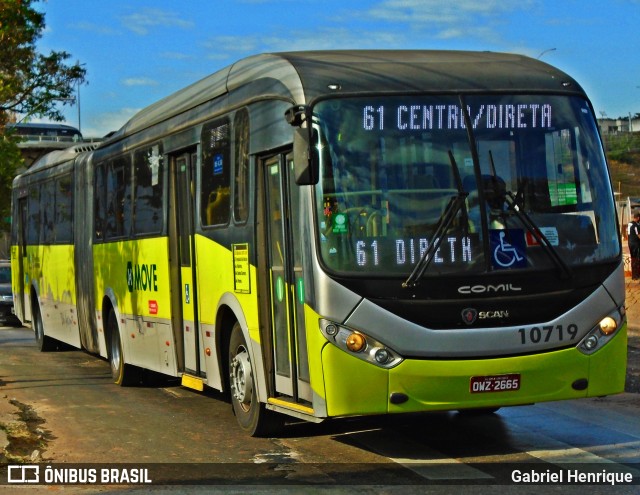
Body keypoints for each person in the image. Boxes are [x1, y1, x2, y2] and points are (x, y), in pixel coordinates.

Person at [628, 212, 640, 280]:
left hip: (630, 243)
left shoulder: (630, 224)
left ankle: (634, 275)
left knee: (633, 259)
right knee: (636, 259)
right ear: (638, 218)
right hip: (635, 244)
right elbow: (638, 235)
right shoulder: (635, 225)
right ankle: (635, 276)